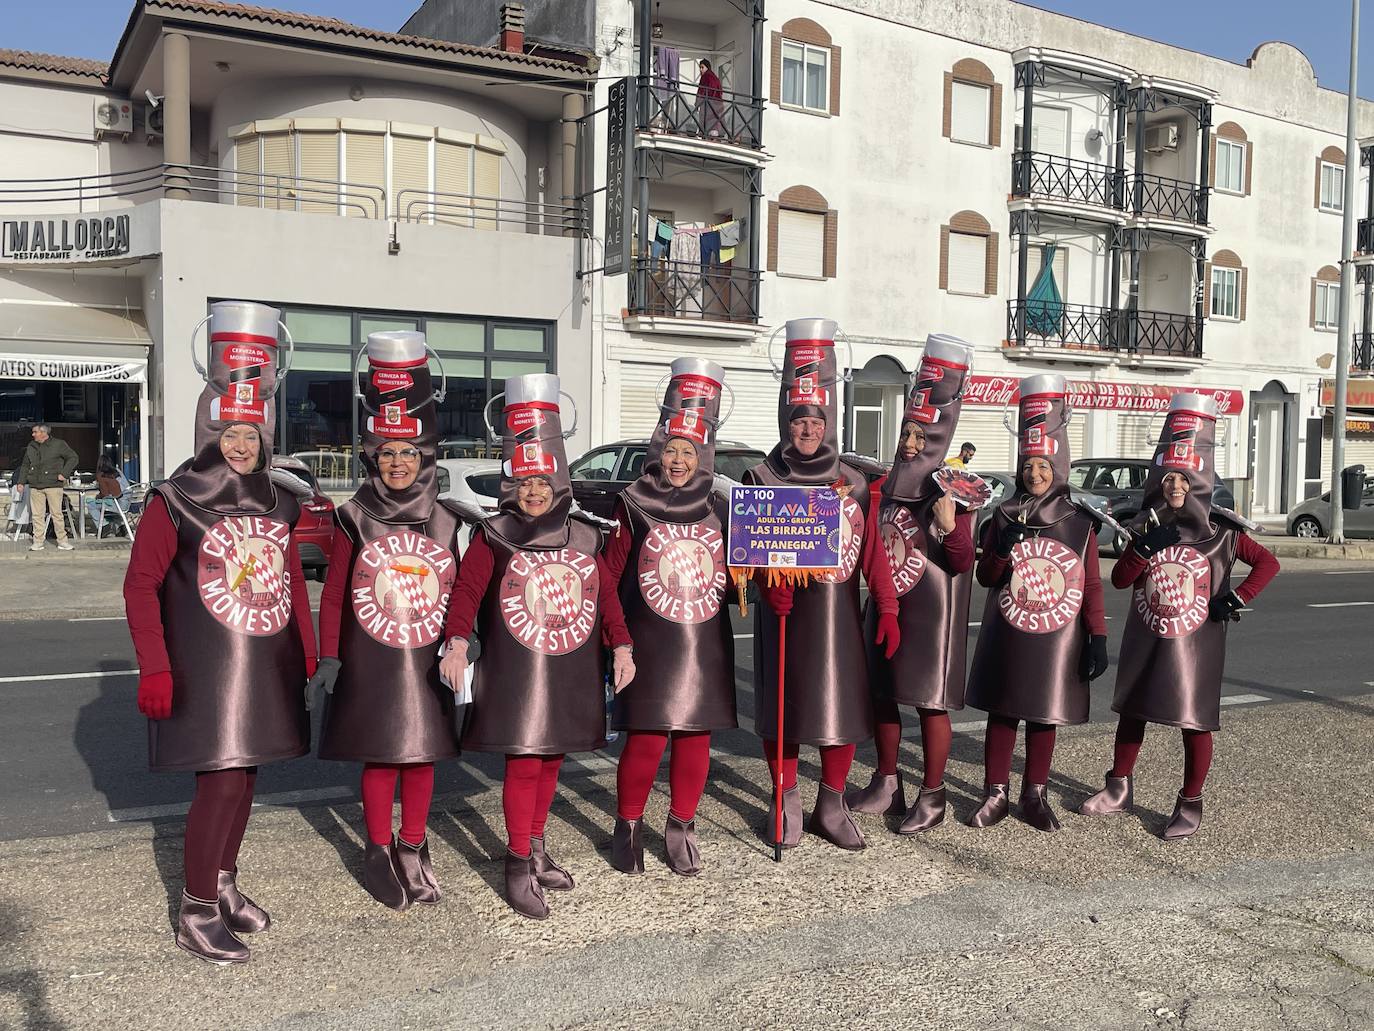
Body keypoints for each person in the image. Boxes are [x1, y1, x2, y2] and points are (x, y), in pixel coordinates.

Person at [123, 300, 315, 964]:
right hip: (205, 669)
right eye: (230, 431)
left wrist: (307, 653)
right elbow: (140, 584)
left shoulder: (277, 498)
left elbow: (290, 578)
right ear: (208, 427)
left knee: (248, 776)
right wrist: (154, 665)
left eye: (251, 432)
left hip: (261, 665)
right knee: (222, 782)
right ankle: (195, 909)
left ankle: (223, 881)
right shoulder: (173, 499)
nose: (241, 444)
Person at [439, 374, 634, 920]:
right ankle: (518, 861)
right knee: (525, 761)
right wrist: (456, 642)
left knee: (552, 759)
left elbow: (606, 600)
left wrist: (622, 647)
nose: (532, 491)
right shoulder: (494, 534)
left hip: (569, 665)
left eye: (542, 482)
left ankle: (538, 844)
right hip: (517, 668)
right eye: (524, 482)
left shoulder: (583, 535)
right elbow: (468, 591)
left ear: (558, 482)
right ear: (511, 483)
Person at [310, 331, 467, 910]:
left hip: (427, 653)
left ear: (425, 458)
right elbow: (332, 595)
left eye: (409, 453)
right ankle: (377, 847)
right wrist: (330, 654)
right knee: (381, 752)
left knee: (422, 750)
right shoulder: (353, 515)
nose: (398, 463)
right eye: (388, 453)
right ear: (373, 457)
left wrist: (463, 642)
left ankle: (413, 844)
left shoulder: (449, 519)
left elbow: (466, 592)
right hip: (371, 651)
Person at [1079, 394, 1278, 839]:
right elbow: (1121, 580)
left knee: (1194, 716)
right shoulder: (1147, 525)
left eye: (1185, 480)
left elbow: (1268, 563)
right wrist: (1144, 547)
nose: (1176, 488)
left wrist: (1237, 598)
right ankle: (1118, 786)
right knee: (1133, 709)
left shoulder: (1223, 533)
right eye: (1169, 479)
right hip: (1147, 631)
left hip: (1197, 639)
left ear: (1201, 480)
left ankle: (1190, 800)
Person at [749, 318, 901, 851]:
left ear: (829, 420)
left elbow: (872, 553)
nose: (807, 430)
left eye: (816, 420)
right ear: (785, 420)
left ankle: (831, 801)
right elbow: (743, 555)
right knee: (784, 709)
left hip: (837, 613)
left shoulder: (855, 480)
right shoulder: (762, 478)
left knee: (837, 707)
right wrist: (769, 586)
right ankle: (785, 797)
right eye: (798, 420)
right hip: (784, 614)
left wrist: (885, 607)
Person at [600, 358, 735, 876]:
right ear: (658, 450)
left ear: (703, 454)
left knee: (695, 734)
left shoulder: (721, 504)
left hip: (702, 639)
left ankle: (681, 825)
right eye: (672, 449)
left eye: (690, 450)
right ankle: (629, 823)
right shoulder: (633, 502)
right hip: (648, 637)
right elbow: (609, 576)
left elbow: (749, 564)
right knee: (648, 735)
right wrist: (616, 640)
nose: (679, 460)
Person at [965, 374, 1110, 832]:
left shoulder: (1078, 520)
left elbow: (1090, 583)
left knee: (1044, 710)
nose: (1035, 474)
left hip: (1057, 631)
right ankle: (995, 793)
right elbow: (984, 577)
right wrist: (1001, 549)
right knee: (1004, 708)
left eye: (1044, 466)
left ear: (1059, 467)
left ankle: (1035, 793)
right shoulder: (1004, 513)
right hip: (1009, 627)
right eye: (1029, 466)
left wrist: (1098, 636)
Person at [850, 336, 977, 832]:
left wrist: (947, 523)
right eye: (906, 433)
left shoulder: (953, 487)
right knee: (882, 691)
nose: (909, 443)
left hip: (932, 609)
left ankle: (934, 792)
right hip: (887, 600)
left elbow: (963, 560)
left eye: (920, 437)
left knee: (929, 700)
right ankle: (887, 780)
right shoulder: (885, 483)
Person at [14, 423, 78, 550]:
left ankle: (62, 541)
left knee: (57, 514)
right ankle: (38, 542)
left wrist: (64, 474)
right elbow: (25, 465)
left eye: (34, 432)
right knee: (37, 515)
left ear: (43, 433)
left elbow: (73, 457)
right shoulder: (31, 446)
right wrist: (21, 482)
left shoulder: (59, 444)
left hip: (53, 485)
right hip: (35, 485)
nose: (32, 434)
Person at [88, 454, 132, 534]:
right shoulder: (118, 471)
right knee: (108, 504)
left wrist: (99, 496)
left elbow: (105, 494)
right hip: (126, 503)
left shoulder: (101, 475)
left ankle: (104, 526)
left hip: (117, 504)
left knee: (91, 504)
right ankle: (119, 526)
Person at [697, 59, 725, 138]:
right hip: (717, 104)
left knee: (707, 120)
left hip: (709, 103)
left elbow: (701, 91)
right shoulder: (715, 77)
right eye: (700, 67)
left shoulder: (705, 76)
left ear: (707, 67)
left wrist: (697, 102)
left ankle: (703, 132)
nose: (700, 70)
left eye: (702, 67)